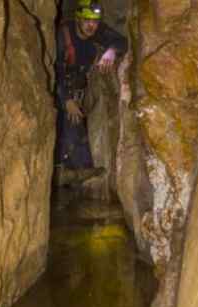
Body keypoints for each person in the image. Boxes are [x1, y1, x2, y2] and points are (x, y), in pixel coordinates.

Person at [54, 0, 127, 185]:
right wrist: (66, 99)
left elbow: (121, 41)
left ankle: (77, 171)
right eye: (86, 20)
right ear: (78, 18)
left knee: (76, 126)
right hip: (60, 87)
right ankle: (62, 171)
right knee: (67, 123)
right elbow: (55, 70)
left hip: (78, 90)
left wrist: (111, 51)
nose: (91, 25)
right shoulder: (63, 36)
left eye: (94, 21)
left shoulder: (98, 31)